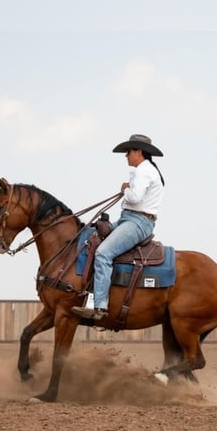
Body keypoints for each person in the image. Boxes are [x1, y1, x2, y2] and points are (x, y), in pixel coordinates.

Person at [72, 134, 165, 321]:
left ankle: (99, 306)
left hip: (137, 222)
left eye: (128, 152)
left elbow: (135, 198)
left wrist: (125, 189)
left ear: (139, 152)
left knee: (103, 253)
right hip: (130, 219)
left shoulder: (144, 171)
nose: (126, 156)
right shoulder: (146, 170)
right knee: (92, 236)